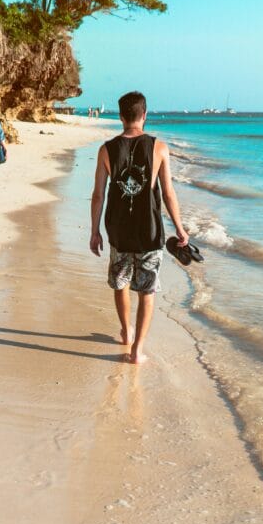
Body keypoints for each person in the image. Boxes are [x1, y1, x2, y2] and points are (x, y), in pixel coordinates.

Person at [89, 91, 189, 364]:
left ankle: (126, 331)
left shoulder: (106, 150)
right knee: (147, 290)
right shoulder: (159, 148)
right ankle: (137, 350)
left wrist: (94, 231)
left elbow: (98, 195)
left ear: (121, 117)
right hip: (149, 231)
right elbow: (168, 193)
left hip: (118, 231)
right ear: (144, 115)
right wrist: (180, 228)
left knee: (120, 282)